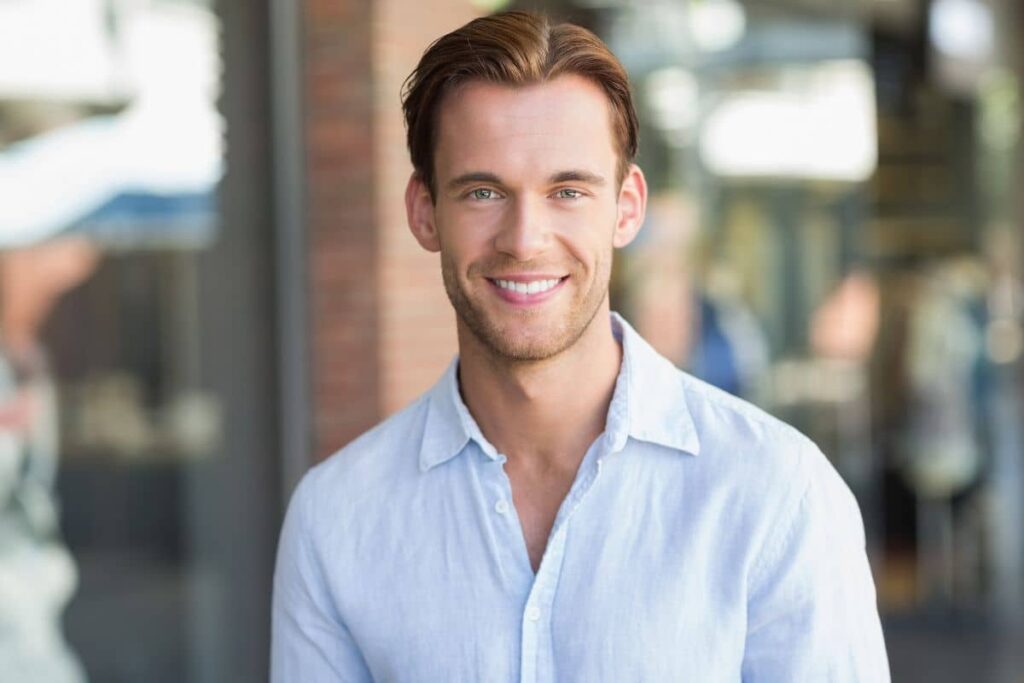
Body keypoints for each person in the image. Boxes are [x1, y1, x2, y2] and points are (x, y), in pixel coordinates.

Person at [272, 11, 889, 681]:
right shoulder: (337, 519)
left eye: (568, 191)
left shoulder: (775, 494)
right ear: (424, 212)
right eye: (483, 191)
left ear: (626, 208)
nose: (525, 238)